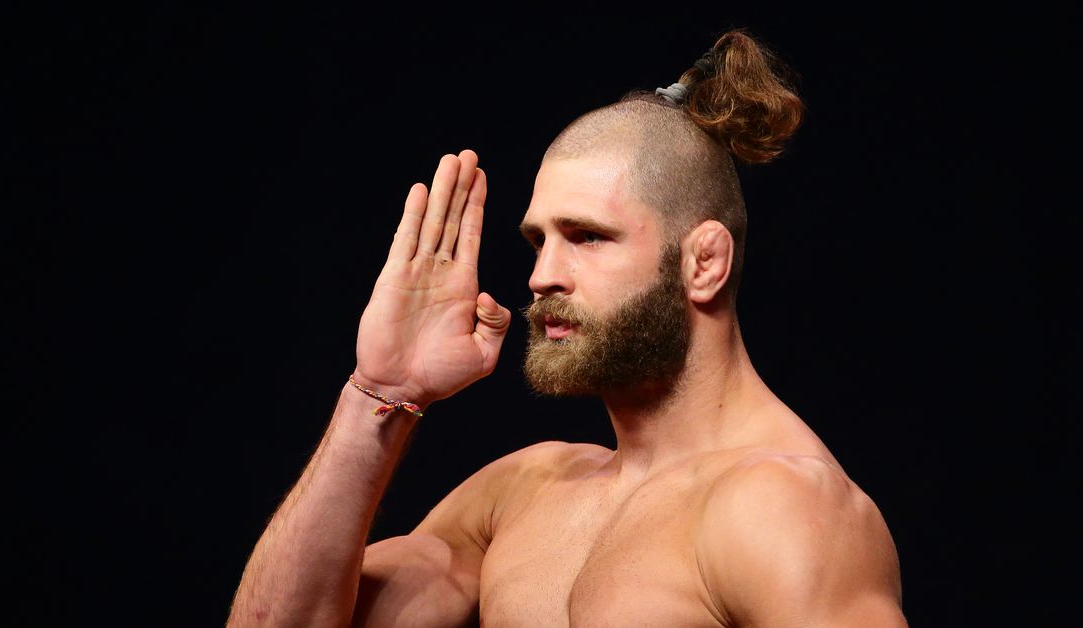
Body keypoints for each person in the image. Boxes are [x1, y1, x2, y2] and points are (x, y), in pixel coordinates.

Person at [228, 29, 905, 627]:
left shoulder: (785, 505)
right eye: (537, 241)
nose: (542, 276)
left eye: (587, 237)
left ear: (704, 262)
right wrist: (378, 392)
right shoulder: (523, 496)